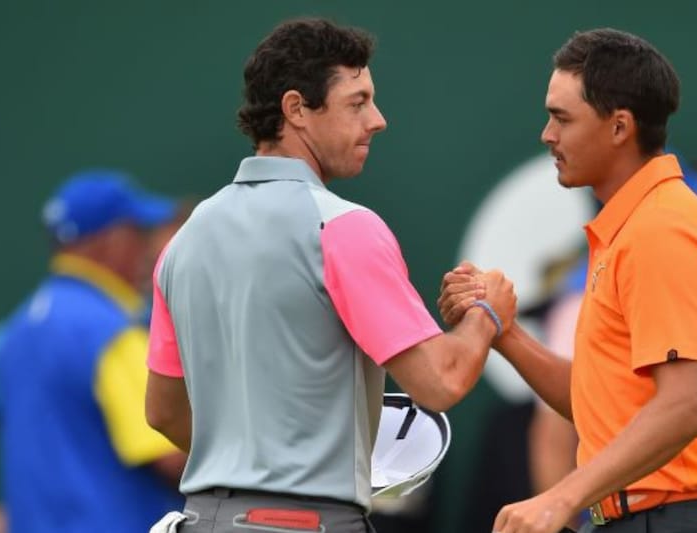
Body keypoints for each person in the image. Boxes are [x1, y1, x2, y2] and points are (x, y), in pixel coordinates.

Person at [143, 18, 515, 533]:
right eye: (357, 102)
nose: (378, 119)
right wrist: (487, 312)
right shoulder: (344, 228)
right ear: (297, 110)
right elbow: (441, 381)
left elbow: (163, 413)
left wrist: (254, 459)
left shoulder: (181, 244)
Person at [439, 28, 697, 532]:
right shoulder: (636, 226)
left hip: (674, 519)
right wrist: (506, 332)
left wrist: (561, 496)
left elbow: (686, 405)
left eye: (562, 118)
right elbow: (597, 402)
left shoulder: (660, 228)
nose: (547, 134)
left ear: (619, 127)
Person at [0, 170, 186, 533]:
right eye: (139, 233)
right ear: (112, 242)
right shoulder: (108, 331)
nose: (148, 248)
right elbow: (169, 456)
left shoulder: (19, 329)